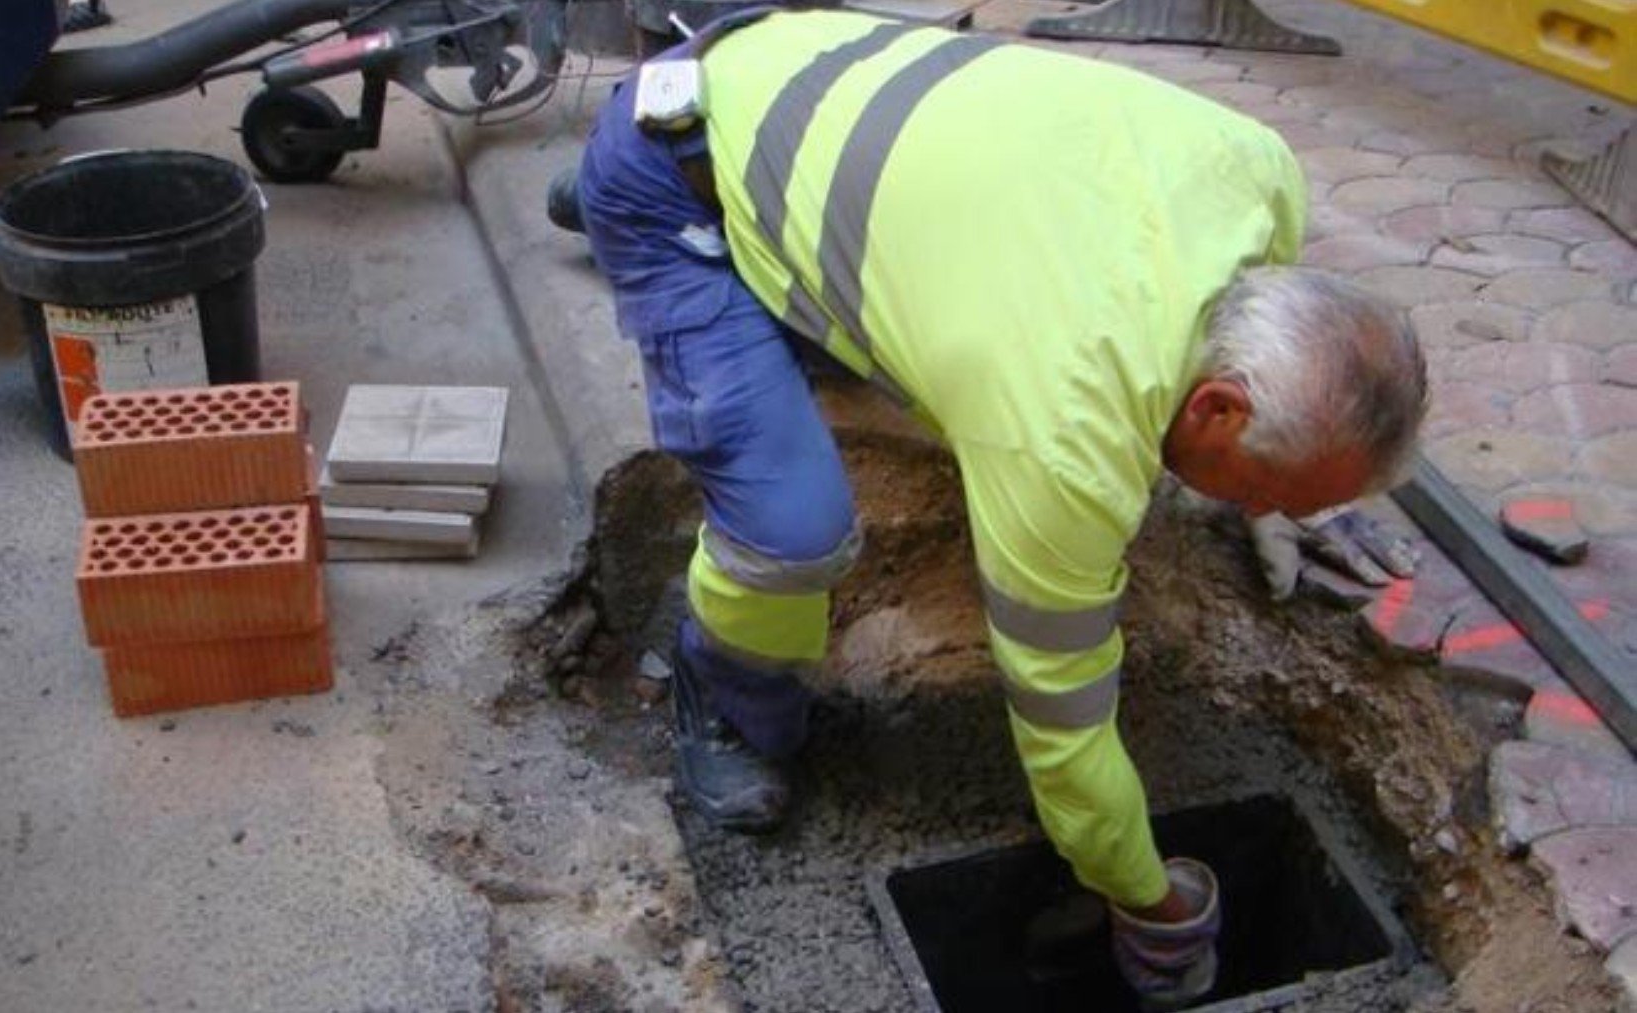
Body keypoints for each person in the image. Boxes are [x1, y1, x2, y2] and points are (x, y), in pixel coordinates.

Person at [552, 9, 1426, 1007]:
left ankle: (626, 179)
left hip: (800, 72)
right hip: (690, 156)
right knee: (792, 535)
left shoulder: (1260, 174)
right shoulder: (1066, 427)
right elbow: (1064, 731)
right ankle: (725, 696)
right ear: (1219, 403)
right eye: (1270, 489)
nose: (1266, 508)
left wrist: (1292, 493)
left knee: (863, 305)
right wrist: (1148, 899)